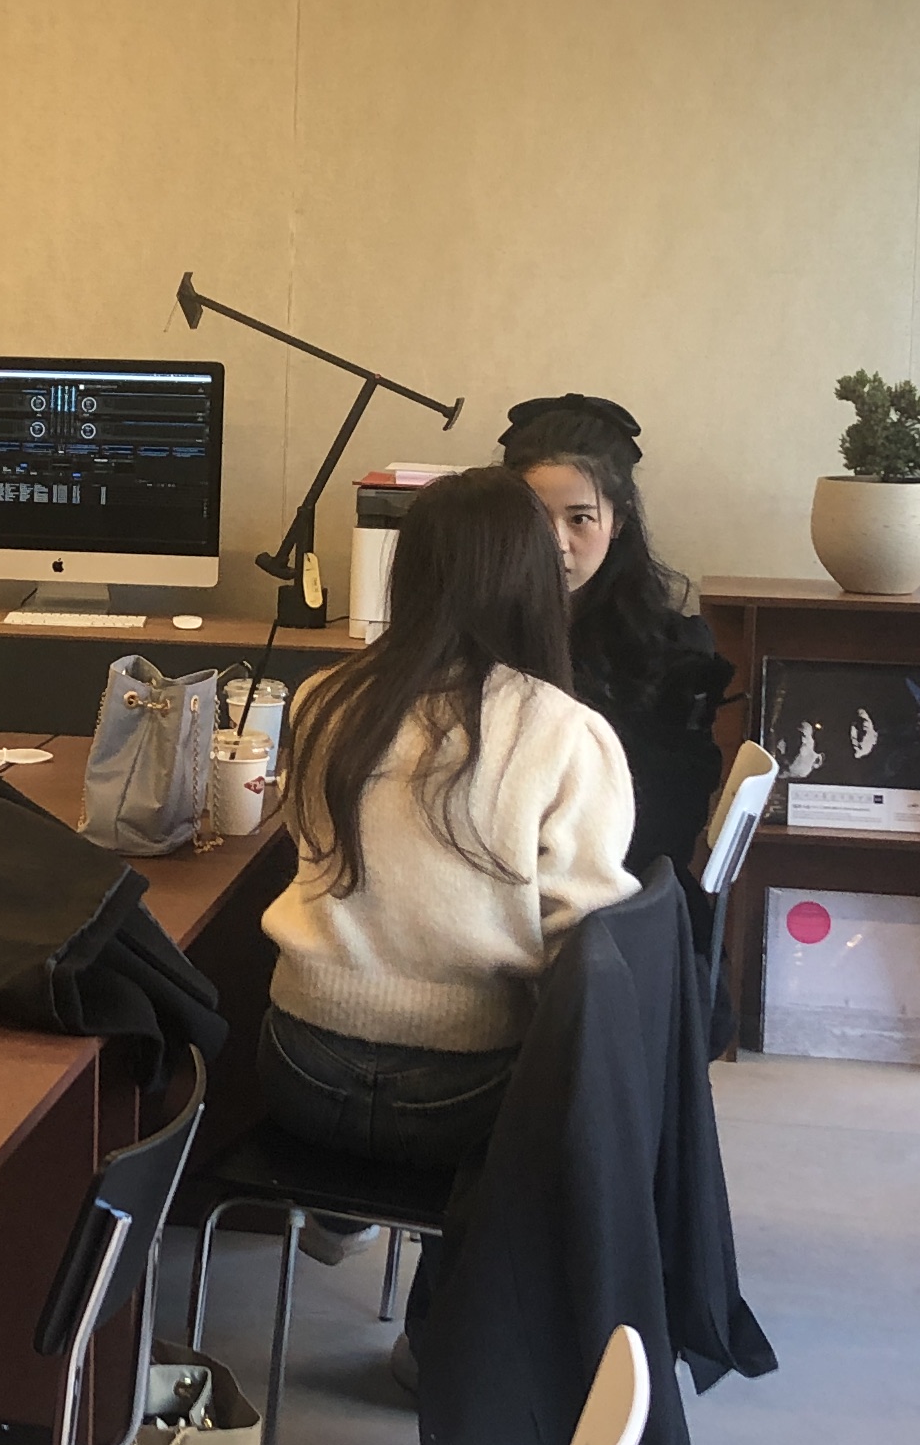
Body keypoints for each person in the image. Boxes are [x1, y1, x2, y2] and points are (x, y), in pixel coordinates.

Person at [261, 466, 640, 1172]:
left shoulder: (323, 697)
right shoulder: (566, 731)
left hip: (298, 1064)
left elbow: (305, 837)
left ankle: (334, 1219)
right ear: (535, 579)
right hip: (465, 1086)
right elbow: (589, 936)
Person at [495, 393, 737, 887]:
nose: (557, 543)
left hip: (618, 899)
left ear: (618, 522)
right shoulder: (475, 633)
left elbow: (667, 831)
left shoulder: (670, 654)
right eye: (535, 518)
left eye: (579, 518)